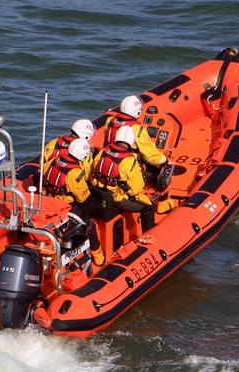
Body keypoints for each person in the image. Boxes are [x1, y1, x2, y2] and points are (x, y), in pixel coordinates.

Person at [42, 138, 104, 266]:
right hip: (65, 208)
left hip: (47, 202)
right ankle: (98, 257)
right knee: (90, 225)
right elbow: (83, 197)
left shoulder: (54, 160)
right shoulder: (75, 173)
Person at [92, 125, 155, 232]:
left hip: (97, 191)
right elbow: (136, 189)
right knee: (149, 207)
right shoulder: (129, 160)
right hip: (117, 198)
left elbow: (94, 168)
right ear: (131, 142)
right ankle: (148, 235)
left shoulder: (103, 151)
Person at [103, 95, 167, 168]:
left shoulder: (110, 120)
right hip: (126, 163)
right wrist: (164, 160)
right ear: (137, 112)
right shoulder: (136, 128)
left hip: (107, 156)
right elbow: (150, 155)